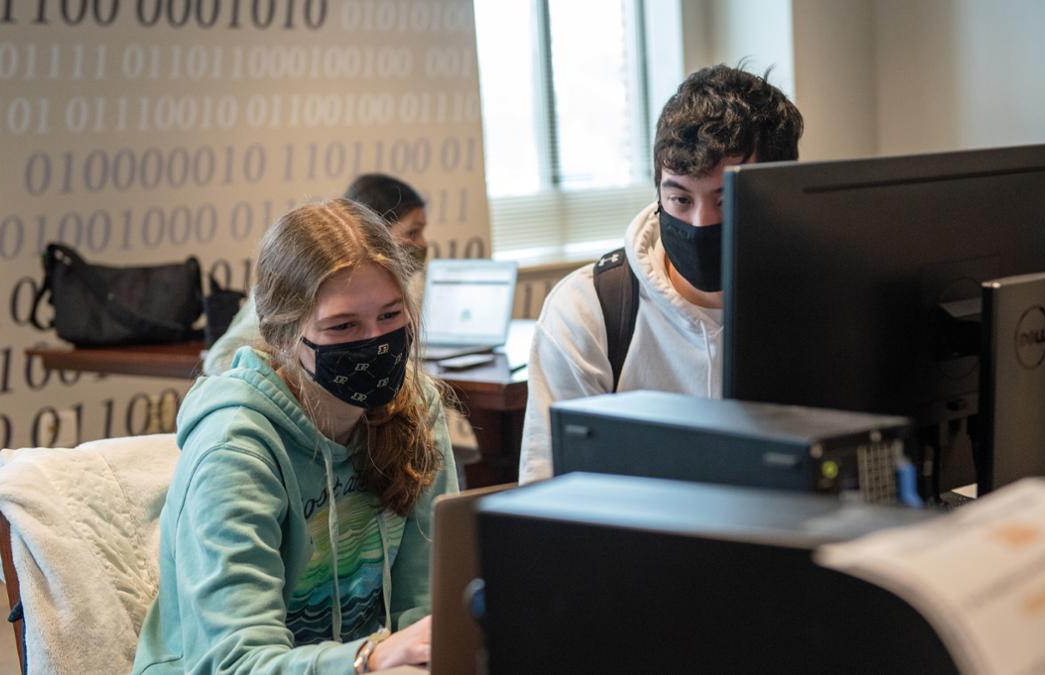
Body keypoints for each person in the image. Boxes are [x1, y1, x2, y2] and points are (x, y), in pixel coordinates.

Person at [133, 200, 458, 674]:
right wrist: (370, 658)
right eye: (344, 325)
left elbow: (424, 609)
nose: (375, 340)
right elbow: (235, 662)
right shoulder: (235, 448)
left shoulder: (416, 407)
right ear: (282, 334)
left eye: (390, 316)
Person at [518, 64, 804, 483]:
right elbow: (547, 490)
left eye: (726, 201)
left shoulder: (820, 301)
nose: (701, 222)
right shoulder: (588, 310)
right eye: (680, 199)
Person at [204, 173, 429, 376]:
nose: (422, 243)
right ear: (373, 231)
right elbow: (219, 360)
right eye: (412, 232)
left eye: (388, 315)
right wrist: (290, 387)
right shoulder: (294, 286)